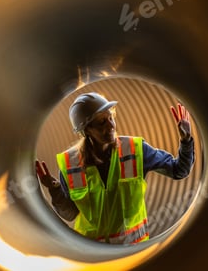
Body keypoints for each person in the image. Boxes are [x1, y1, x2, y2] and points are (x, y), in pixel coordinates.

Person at [35, 92, 194, 244]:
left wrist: (186, 140)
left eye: (111, 117)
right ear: (86, 130)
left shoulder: (135, 150)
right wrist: (54, 188)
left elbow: (179, 170)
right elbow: (70, 214)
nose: (111, 125)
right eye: (101, 122)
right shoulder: (71, 164)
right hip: (94, 256)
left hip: (132, 251)